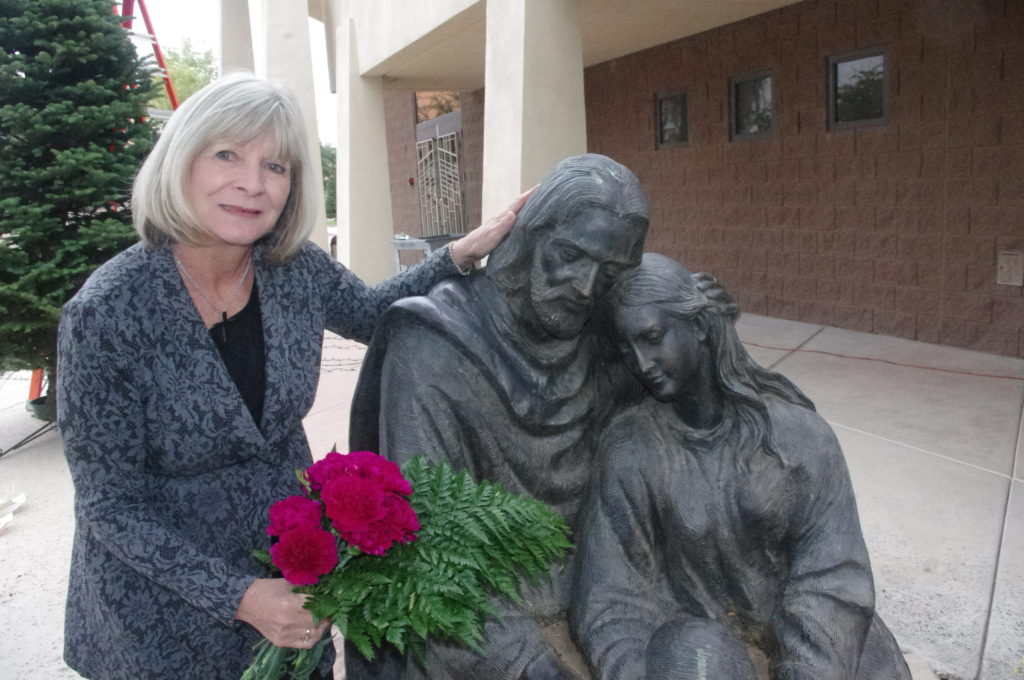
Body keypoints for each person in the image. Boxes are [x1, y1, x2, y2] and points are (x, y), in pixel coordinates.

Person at [56, 72, 528, 680]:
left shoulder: (294, 269)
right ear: (180, 160)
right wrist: (243, 598)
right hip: (158, 615)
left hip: (292, 574)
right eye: (227, 154)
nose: (252, 183)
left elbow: (372, 314)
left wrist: (463, 252)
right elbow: (110, 505)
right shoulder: (106, 313)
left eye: (276, 166)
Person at [346, 153, 650, 679]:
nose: (585, 287)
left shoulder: (610, 343)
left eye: (611, 272)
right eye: (570, 255)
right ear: (531, 237)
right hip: (476, 624)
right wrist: (527, 663)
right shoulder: (435, 346)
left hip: (605, 601)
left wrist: (708, 344)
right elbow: (430, 550)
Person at [570, 253, 911, 680]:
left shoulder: (800, 438)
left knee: (874, 663)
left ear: (697, 326)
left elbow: (833, 577)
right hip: (697, 643)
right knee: (699, 656)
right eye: (627, 348)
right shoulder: (631, 448)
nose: (642, 363)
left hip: (813, 636)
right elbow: (610, 598)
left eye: (653, 337)